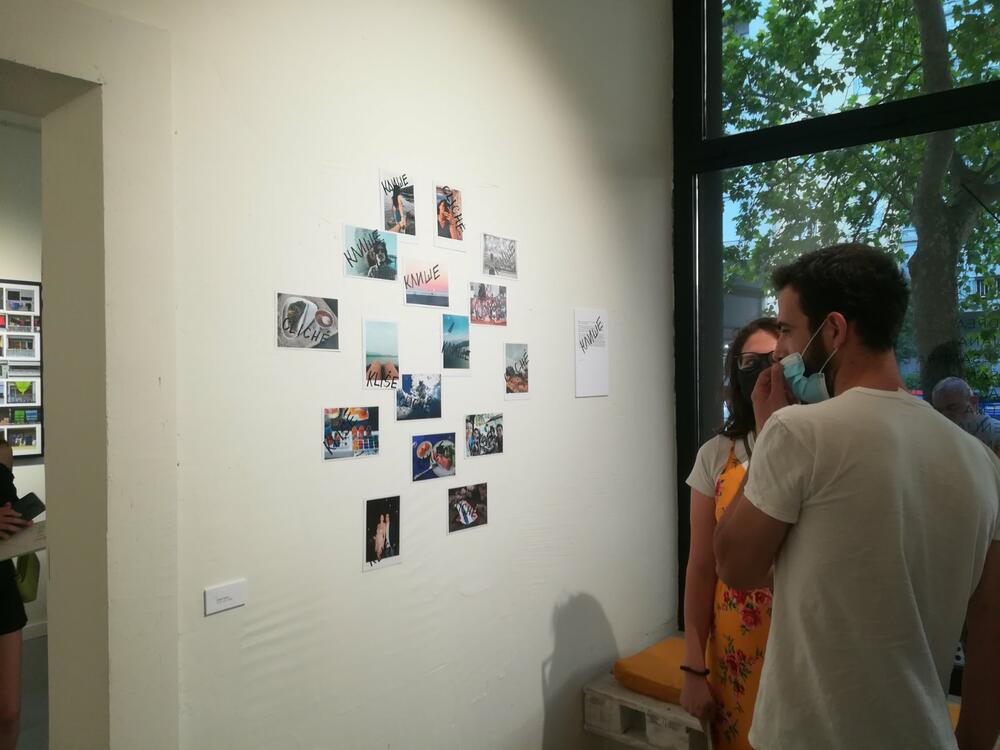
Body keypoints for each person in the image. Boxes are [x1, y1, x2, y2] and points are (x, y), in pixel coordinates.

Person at [713, 244, 1000, 750]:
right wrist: (973, 739)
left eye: (789, 330)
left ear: (833, 330)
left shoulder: (798, 432)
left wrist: (766, 427)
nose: (780, 352)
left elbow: (734, 565)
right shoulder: (979, 459)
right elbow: (990, 620)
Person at [681, 317, 780, 750]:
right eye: (748, 362)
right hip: (735, 645)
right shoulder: (717, 455)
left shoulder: (819, 447)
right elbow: (701, 566)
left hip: (803, 642)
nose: (762, 371)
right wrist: (693, 667)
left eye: (774, 360)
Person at [0, 440, 32, 749]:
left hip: (1, 586)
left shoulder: (3, 450)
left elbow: (7, 503)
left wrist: (18, 521)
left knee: (9, 712)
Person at [932, 376, 1000, 456]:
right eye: (939, 411)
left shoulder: (996, 435)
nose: (944, 415)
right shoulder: (941, 437)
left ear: (973, 402)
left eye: (952, 408)